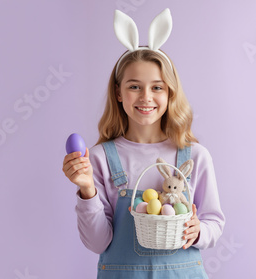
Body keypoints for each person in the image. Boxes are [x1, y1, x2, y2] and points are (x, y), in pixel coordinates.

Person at [62, 8, 225, 278]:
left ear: (170, 92)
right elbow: (98, 243)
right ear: (118, 92)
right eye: (134, 86)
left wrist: (200, 231)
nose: (146, 97)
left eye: (157, 87)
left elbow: (214, 222)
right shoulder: (100, 158)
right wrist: (87, 189)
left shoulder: (195, 156)